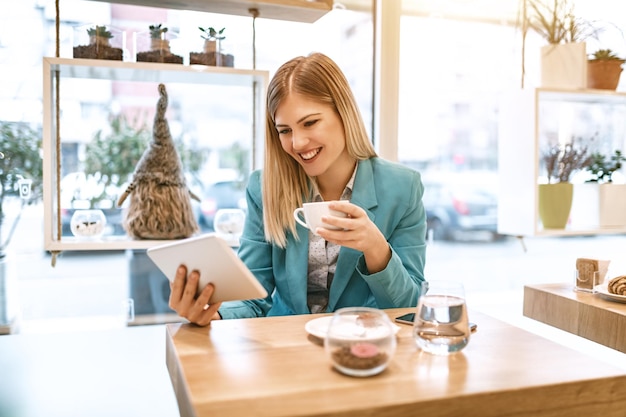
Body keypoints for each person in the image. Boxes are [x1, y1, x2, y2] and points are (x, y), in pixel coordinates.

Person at [169, 52, 427, 326]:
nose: (298, 142)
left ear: (344, 113)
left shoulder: (403, 188)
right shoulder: (264, 188)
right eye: (284, 131)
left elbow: (409, 310)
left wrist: (376, 249)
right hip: (286, 349)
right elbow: (251, 296)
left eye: (310, 123)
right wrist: (213, 311)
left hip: (363, 349)